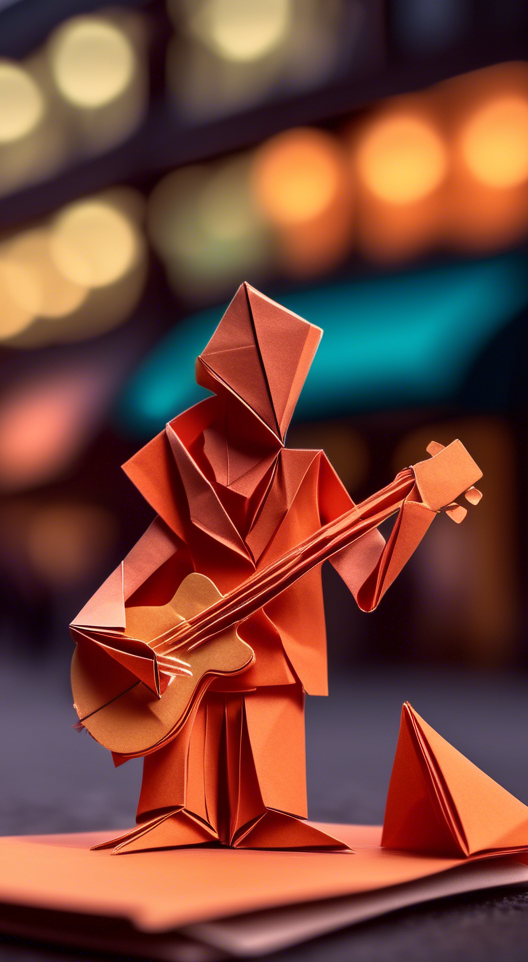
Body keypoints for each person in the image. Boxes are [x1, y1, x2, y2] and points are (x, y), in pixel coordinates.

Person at [71, 284, 442, 853]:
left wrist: (416, 512)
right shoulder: (185, 469)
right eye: (246, 397)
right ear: (217, 386)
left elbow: (367, 573)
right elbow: (148, 556)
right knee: (183, 752)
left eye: (273, 403)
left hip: (271, 649)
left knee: (266, 772)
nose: (263, 416)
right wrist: (100, 627)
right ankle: (178, 811)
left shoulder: (307, 474)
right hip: (179, 644)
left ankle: (266, 815)